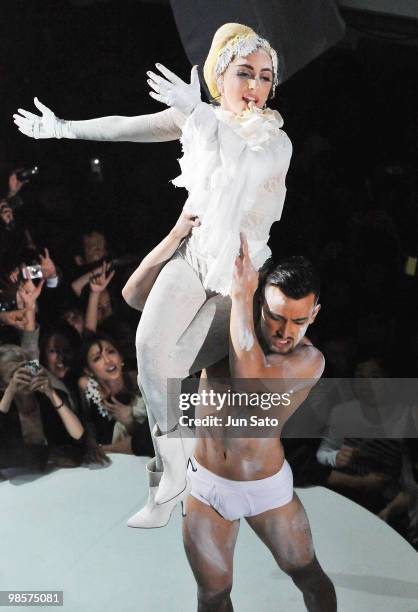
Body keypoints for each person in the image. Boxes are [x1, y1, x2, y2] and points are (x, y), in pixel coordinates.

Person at [13, 23, 293, 526]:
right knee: (147, 348)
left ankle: (198, 469)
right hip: (194, 253)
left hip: (240, 273)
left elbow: (242, 166)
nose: (255, 87)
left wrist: (198, 115)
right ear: (218, 79)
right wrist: (63, 128)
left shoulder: (275, 142)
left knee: (176, 363)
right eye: (245, 74)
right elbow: (127, 126)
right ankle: (172, 472)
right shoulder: (200, 119)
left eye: (265, 77)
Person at [180, 237, 336, 611]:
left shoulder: (310, 361)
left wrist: (240, 296)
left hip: (267, 489)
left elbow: (251, 384)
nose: (286, 332)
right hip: (207, 487)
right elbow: (135, 299)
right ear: (259, 304)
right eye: (276, 316)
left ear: (314, 314)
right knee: (213, 596)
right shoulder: (225, 328)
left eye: (299, 321)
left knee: (307, 574)